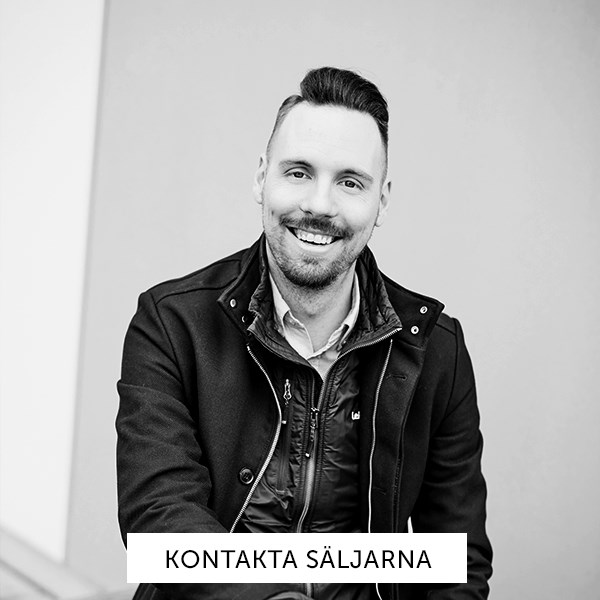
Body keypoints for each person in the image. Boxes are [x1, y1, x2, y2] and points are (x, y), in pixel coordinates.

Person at [116, 67, 492, 600]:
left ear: (382, 201)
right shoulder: (172, 323)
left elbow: (455, 566)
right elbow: (159, 524)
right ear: (261, 178)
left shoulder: (436, 349)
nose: (319, 204)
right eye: (298, 172)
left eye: (350, 182)